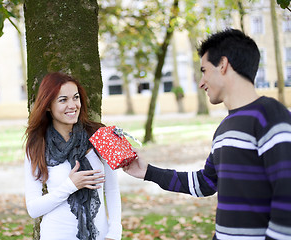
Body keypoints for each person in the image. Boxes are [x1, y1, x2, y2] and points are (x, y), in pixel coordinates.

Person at [123, 28, 291, 240]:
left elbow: (287, 193)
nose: (201, 82)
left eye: (203, 70)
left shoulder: (270, 114)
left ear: (223, 64)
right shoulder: (223, 128)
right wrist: (149, 172)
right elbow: (205, 183)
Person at [24, 72, 122, 240]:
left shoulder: (101, 135)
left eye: (75, 97)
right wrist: (70, 185)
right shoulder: (37, 145)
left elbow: (112, 189)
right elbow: (33, 209)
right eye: (63, 100)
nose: (73, 105)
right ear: (48, 105)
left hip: (101, 235)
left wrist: (114, 233)